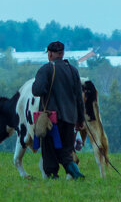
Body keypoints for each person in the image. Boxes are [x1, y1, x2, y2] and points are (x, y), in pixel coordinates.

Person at [32, 41, 86, 180]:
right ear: (62, 54)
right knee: (66, 152)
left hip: (51, 120)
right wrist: (80, 120)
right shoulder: (73, 70)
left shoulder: (46, 69)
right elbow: (79, 98)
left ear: (50, 53)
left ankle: (52, 177)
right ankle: (77, 175)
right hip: (69, 118)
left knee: (49, 151)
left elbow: (36, 90)